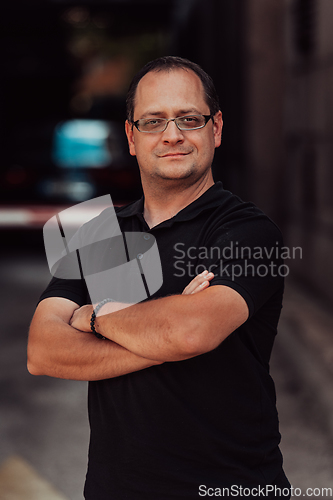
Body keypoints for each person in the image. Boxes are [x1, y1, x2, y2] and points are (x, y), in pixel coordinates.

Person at [28, 56, 290, 499]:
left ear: (216, 128)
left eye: (189, 119)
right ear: (131, 136)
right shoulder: (100, 232)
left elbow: (190, 331)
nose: (172, 135)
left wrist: (95, 317)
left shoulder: (248, 231)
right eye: (153, 121)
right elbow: (43, 351)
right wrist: (162, 336)